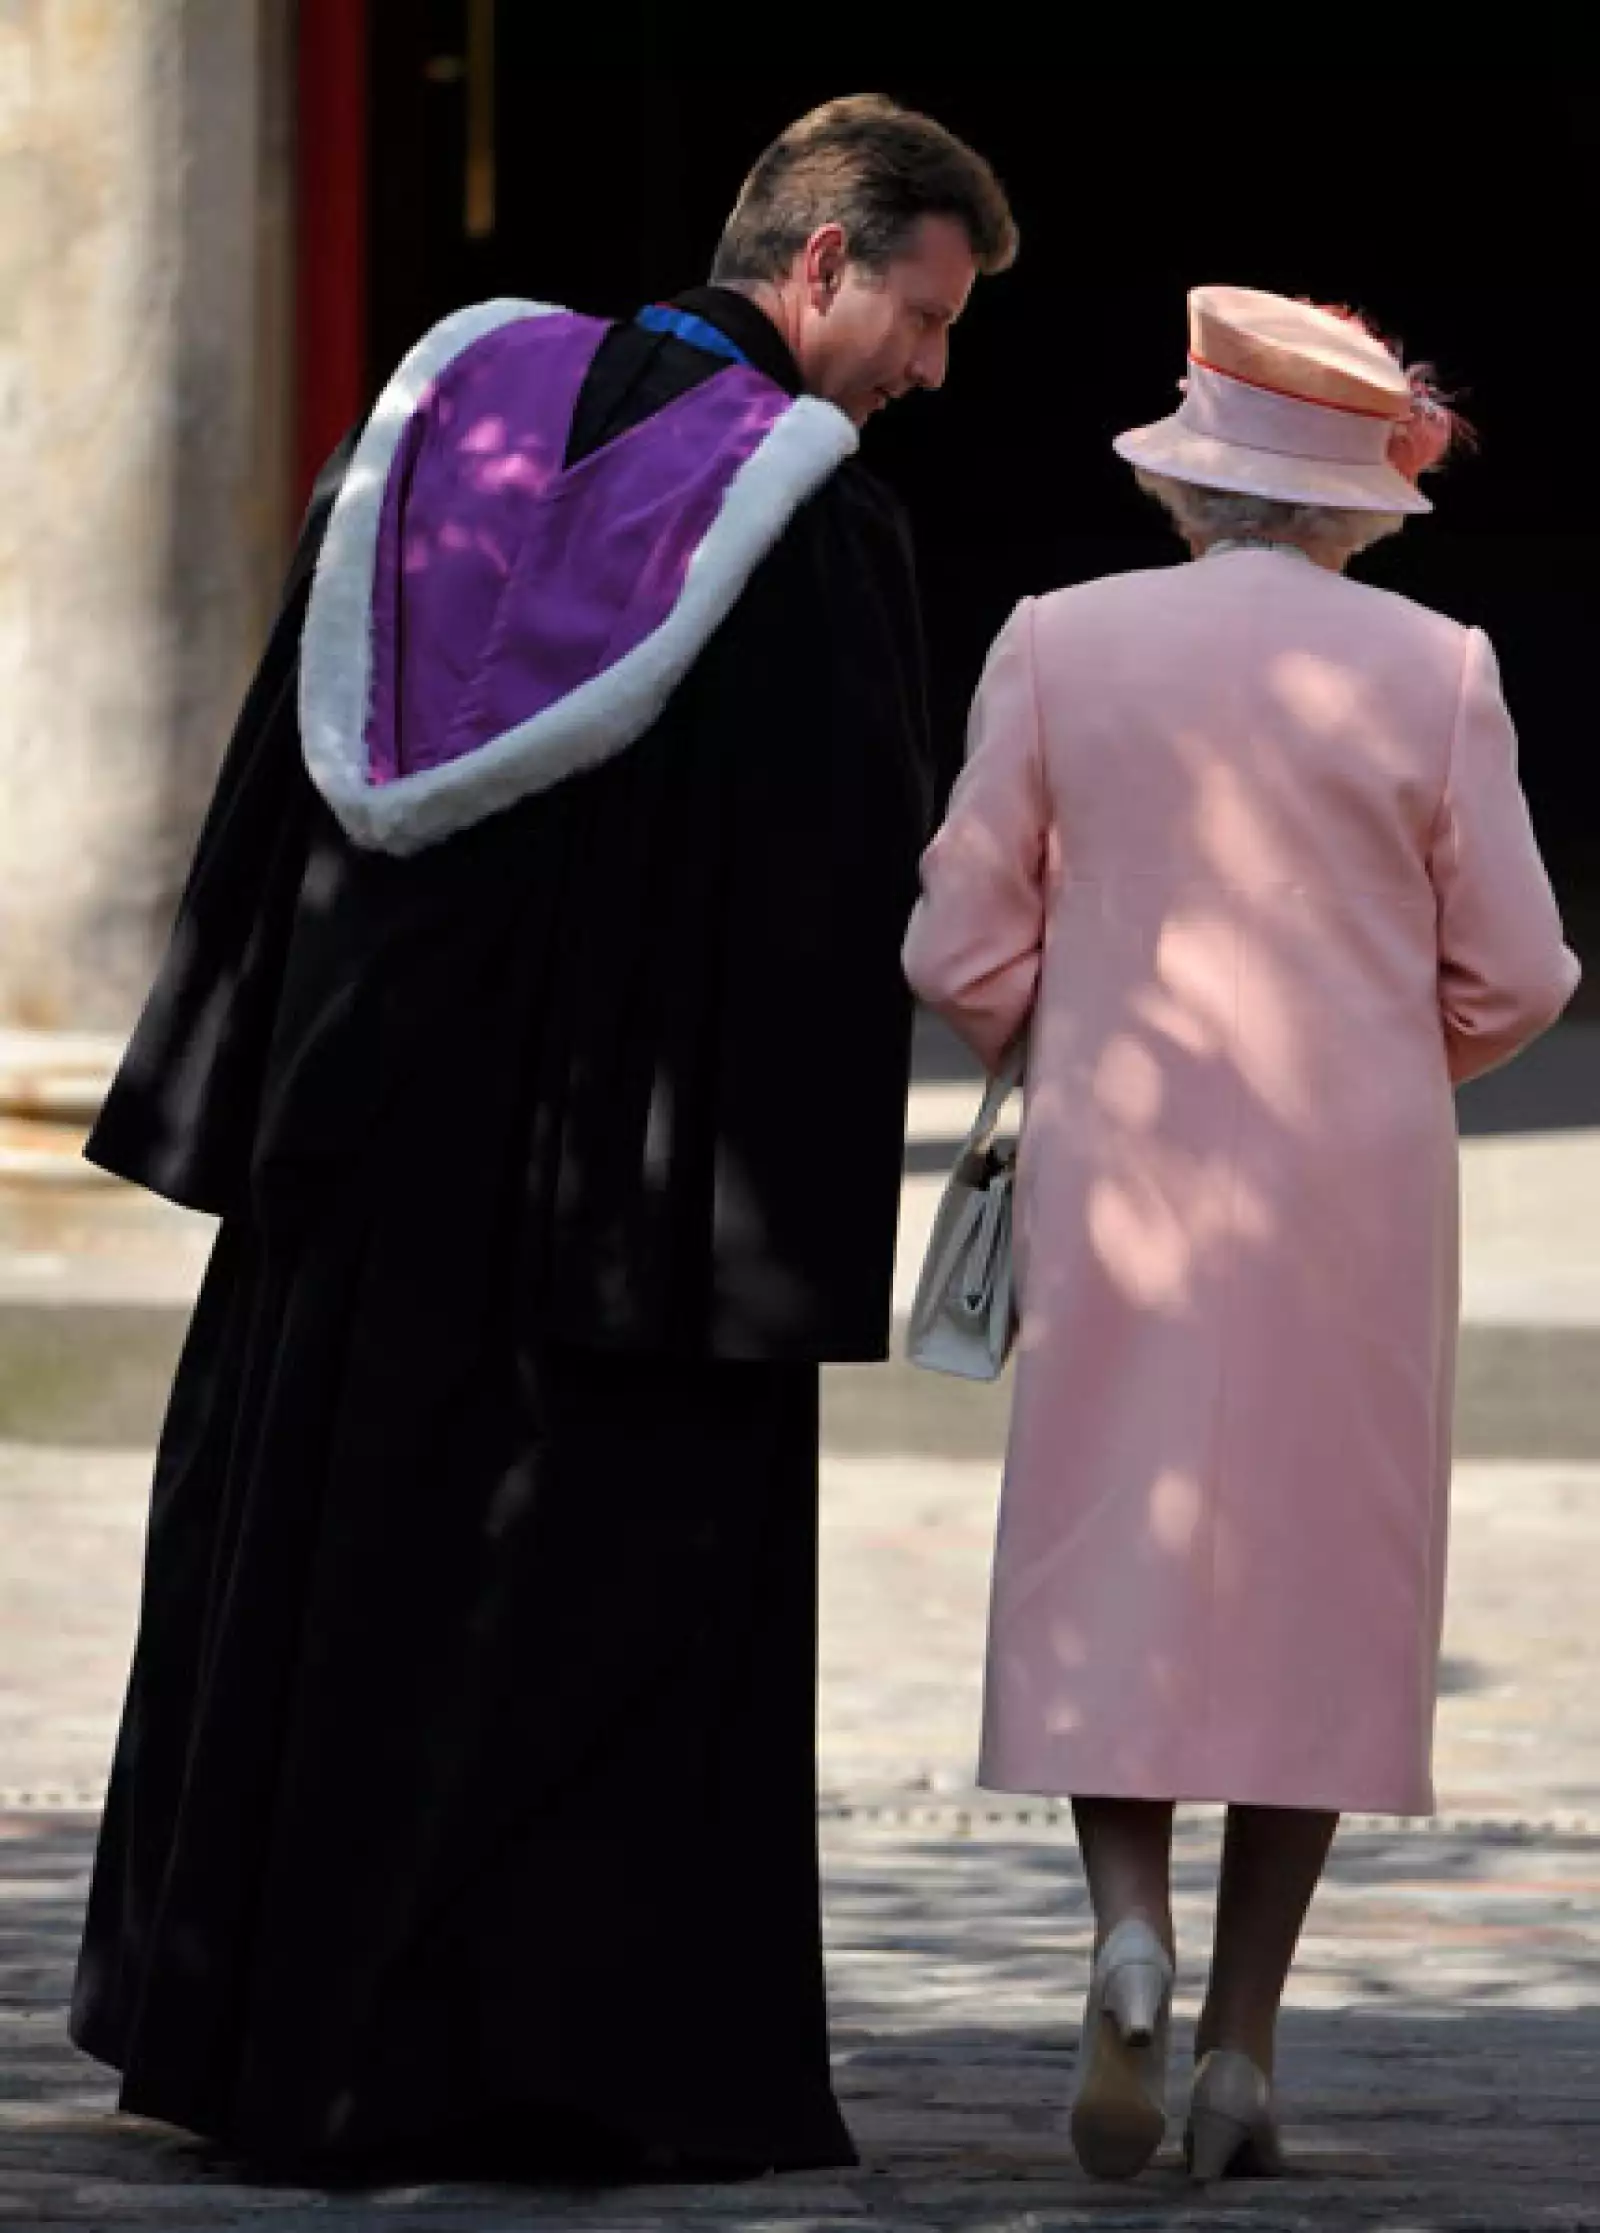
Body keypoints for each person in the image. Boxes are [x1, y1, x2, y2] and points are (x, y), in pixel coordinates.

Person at [70, 94, 1017, 2182]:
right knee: (557, 1628)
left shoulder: (439, 426)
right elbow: (821, 895)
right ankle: (526, 2076)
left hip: (351, 1173)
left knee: (319, 1588)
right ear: (823, 264)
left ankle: (249, 2042)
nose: (933, 374)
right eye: (928, 319)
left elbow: (280, 794)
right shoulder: (805, 526)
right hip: (599, 1222)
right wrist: (768, 1232)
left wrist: (253, 1087)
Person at [903, 285, 1578, 2184]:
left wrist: (1068, 1036)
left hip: (1127, 1152)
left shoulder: (1057, 639)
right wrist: (1384, 1054)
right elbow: (1521, 970)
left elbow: (958, 944)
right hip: (1355, 1176)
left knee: (1111, 1533)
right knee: (1325, 1579)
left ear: (1187, 482)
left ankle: (1127, 1929)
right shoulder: (1440, 667)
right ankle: (1245, 2050)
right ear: (1357, 501)